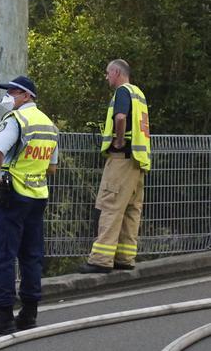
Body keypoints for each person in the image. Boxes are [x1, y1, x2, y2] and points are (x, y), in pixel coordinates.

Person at [0, 76, 59, 335]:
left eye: (14, 92)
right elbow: (52, 168)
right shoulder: (48, 125)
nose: (9, 97)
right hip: (37, 197)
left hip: (11, 196)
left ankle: (3, 316)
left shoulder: (16, 121)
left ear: (27, 96)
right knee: (31, 256)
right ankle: (29, 313)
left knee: (2, 255)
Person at [80, 59, 151, 274]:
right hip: (138, 161)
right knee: (131, 210)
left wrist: (118, 141)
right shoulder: (139, 93)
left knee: (110, 207)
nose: (106, 77)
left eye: (107, 73)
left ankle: (101, 259)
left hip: (121, 160)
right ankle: (125, 257)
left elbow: (120, 117)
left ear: (117, 72)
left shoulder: (122, 92)